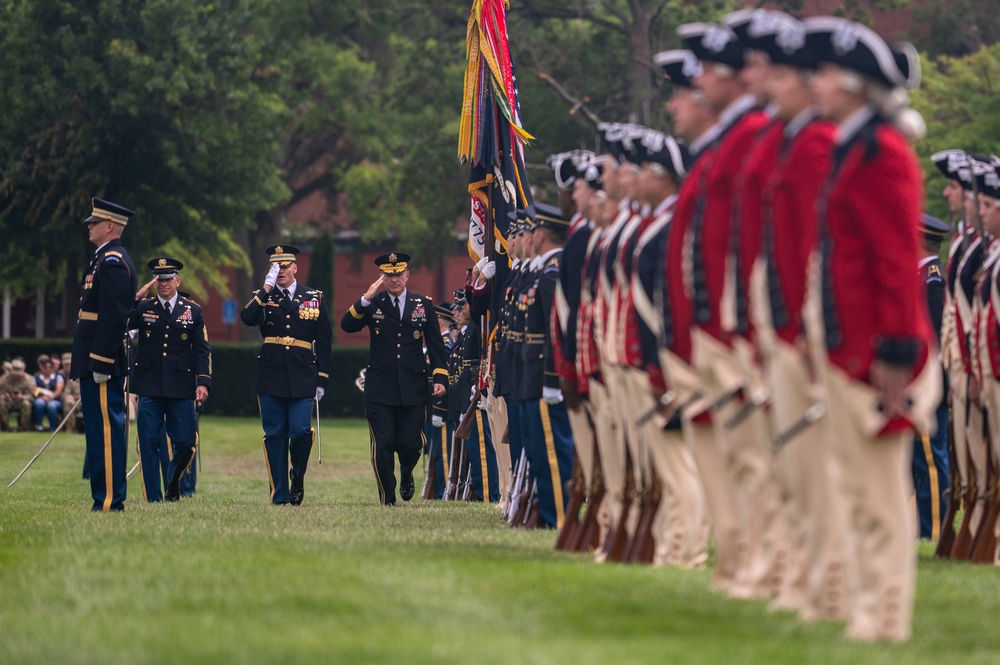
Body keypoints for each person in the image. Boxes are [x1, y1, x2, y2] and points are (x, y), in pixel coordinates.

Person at [805, 16, 936, 642]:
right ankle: (865, 605)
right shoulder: (853, 145)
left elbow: (893, 262)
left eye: (827, 73)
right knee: (857, 487)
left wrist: (896, 351)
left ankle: (884, 616)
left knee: (881, 495)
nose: (816, 84)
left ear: (856, 84)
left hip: (880, 350)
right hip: (848, 344)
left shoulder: (881, 153)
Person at [341, 252, 448, 506]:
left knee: (411, 444)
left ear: (407, 275)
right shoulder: (373, 304)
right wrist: (366, 296)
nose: (394, 279)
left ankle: (407, 472)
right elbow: (347, 325)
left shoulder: (423, 305)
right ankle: (387, 496)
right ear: (382, 277)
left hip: (413, 387)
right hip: (380, 388)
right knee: (383, 444)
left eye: (398, 274)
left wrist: (440, 377)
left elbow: (435, 346)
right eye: (388, 275)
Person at [241, 245, 332, 506]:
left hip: (304, 373)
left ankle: (298, 475)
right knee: (275, 434)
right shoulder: (263, 296)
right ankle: (279, 494)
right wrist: (265, 289)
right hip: (270, 374)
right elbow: (247, 318)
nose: (279, 271)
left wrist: (322, 378)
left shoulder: (313, 297)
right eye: (274, 266)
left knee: (301, 431)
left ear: (295, 268)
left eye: (284, 266)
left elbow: (324, 340)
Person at [72, 196, 137, 512]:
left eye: (94, 223)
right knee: (98, 432)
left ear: (109, 226)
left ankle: (110, 499)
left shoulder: (112, 261)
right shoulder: (102, 259)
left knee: (107, 431)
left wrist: (101, 360)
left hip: (101, 359)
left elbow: (113, 315)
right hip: (92, 356)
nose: (90, 227)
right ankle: (104, 496)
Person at [129, 258, 211, 502]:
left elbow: (202, 350)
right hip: (149, 384)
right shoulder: (143, 307)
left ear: (177, 280)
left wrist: (203, 381)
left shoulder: (192, 310)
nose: (163, 283)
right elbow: (121, 325)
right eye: (158, 279)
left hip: (181, 384)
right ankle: (153, 497)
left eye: (167, 279)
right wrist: (135, 298)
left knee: (186, 441)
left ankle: (174, 481)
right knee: (148, 441)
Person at [32, 354, 64, 432]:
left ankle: (53, 427)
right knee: (39, 403)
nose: (48, 369)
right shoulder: (36, 378)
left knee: (51, 406)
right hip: (40, 398)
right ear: (42, 368)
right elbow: (34, 391)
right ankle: (39, 425)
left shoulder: (58, 377)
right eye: (45, 367)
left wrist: (50, 398)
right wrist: (42, 398)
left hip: (55, 400)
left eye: (50, 367)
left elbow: (58, 391)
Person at [0, 358, 33, 432]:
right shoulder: (4, 379)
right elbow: (1, 393)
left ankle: (24, 428)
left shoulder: (28, 379)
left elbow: (31, 395)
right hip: (9, 400)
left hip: (21, 400)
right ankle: (5, 428)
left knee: (26, 404)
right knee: (2, 404)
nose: (16, 375)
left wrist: (22, 396)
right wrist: (5, 396)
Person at [60, 352, 82, 433]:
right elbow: (66, 392)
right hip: (74, 402)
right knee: (68, 403)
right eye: (66, 364)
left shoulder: (83, 373)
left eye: (70, 363)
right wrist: (68, 396)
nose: (68, 366)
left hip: (87, 400)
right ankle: (69, 428)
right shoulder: (60, 375)